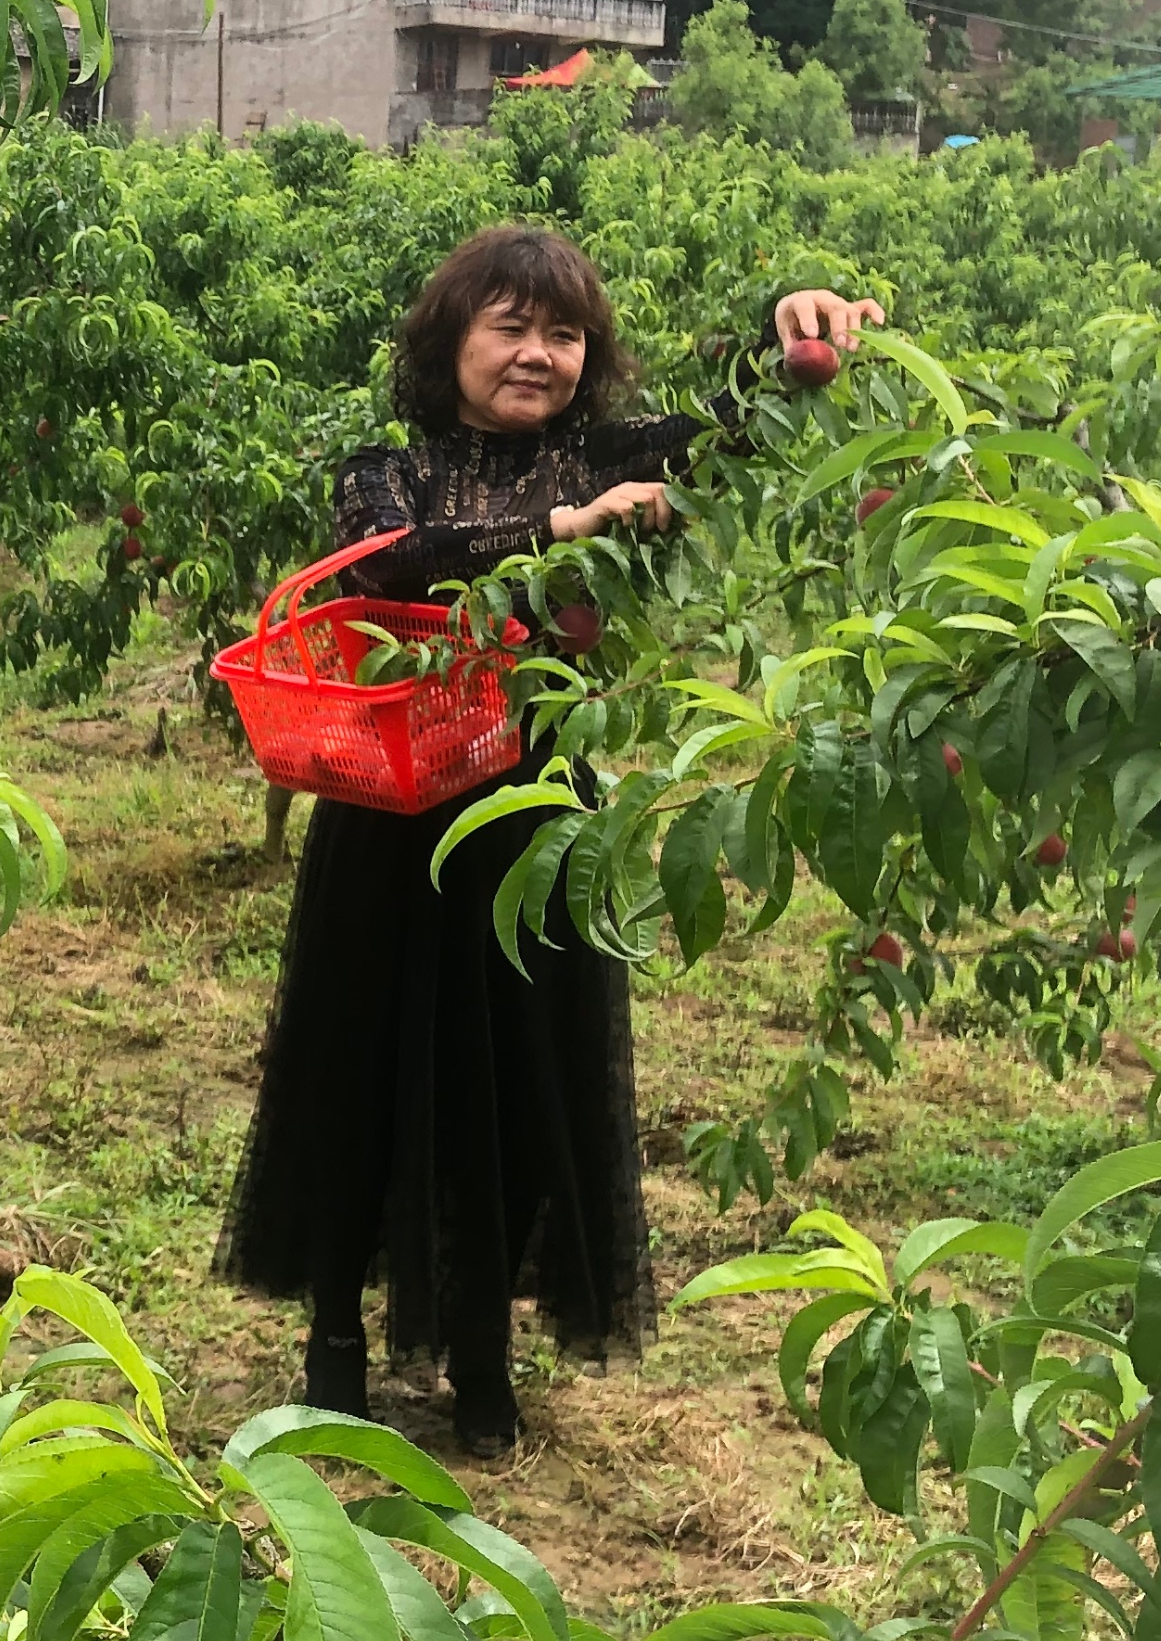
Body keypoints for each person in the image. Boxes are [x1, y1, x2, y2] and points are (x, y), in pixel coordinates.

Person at [216, 224, 878, 1456]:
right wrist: (567, 531)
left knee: (518, 1074)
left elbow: (733, 430)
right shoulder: (388, 469)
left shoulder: (609, 454)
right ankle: (336, 1345)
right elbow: (401, 561)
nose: (535, 354)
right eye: (507, 326)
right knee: (362, 1069)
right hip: (390, 813)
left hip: (535, 819)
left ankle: (478, 1354)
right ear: (449, 341)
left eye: (561, 332)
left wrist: (798, 336)